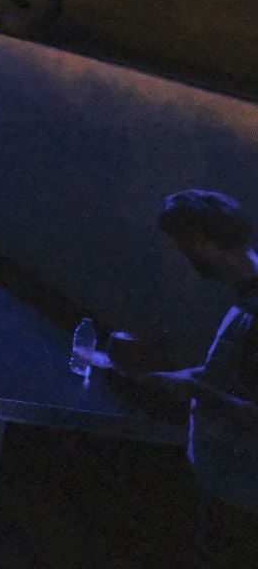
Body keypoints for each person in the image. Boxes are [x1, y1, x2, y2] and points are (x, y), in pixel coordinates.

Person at [102, 191, 258, 562]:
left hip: (243, 498)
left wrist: (190, 388)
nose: (183, 255)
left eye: (183, 243)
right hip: (225, 485)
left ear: (203, 240)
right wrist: (171, 377)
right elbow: (232, 376)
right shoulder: (246, 301)